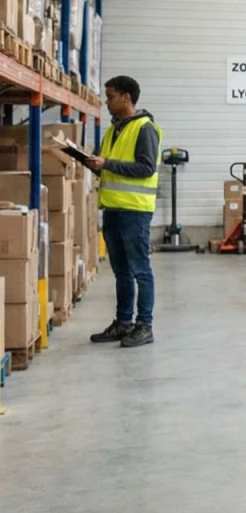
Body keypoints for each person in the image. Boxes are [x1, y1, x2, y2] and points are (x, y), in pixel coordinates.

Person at [88, 75, 162, 349]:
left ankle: (145, 325)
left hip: (134, 211)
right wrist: (91, 163)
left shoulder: (145, 128)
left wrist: (107, 163)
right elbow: (108, 166)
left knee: (140, 269)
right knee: (121, 271)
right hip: (113, 208)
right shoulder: (112, 130)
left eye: (110, 96)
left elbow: (146, 168)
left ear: (126, 97)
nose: (106, 101)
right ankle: (123, 322)